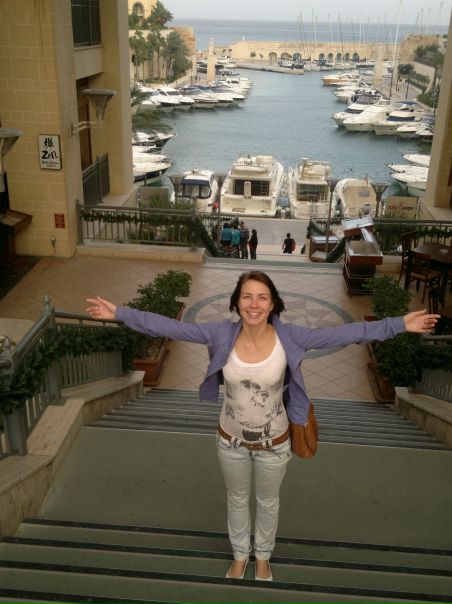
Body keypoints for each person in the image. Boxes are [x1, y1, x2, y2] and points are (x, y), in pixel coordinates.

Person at [86, 271, 439, 582]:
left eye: (262, 297)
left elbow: (347, 333)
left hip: (275, 443)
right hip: (230, 441)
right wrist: (119, 313)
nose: (253, 304)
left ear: (272, 304)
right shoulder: (219, 334)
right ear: (237, 302)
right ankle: (241, 555)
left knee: (268, 502)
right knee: (237, 499)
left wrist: (399, 324)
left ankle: (263, 557)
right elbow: (168, 327)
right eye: (246, 297)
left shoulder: (291, 338)